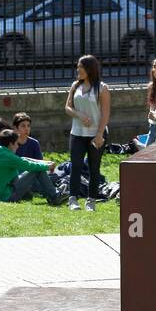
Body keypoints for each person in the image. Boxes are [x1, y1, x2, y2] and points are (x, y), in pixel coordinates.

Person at [65, 54, 110, 212]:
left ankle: (91, 200)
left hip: (95, 134)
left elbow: (105, 113)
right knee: (75, 166)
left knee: (94, 168)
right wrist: (79, 115)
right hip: (77, 133)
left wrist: (99, 134)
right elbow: (68, 107)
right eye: (77, 66)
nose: (78, 70)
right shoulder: (75, 86)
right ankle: (73, 199)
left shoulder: (102, 88)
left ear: (90, 69)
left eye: (81, 67)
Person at [0, 128, 62, 205]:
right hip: (5, 198)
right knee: (37, 169)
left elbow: (22, 160)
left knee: (34, 165)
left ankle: (49, 193)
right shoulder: (8, 157)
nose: (18, 146)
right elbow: (29, 165)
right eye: (17, 143)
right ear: (10, 144)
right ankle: (54, 196)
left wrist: (44, 163)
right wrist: (47, 167)